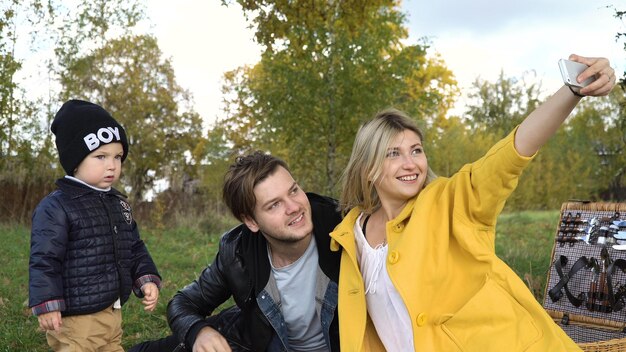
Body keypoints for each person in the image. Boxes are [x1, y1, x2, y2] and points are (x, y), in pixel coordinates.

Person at [330, 54, 616, 351]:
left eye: (416, 150)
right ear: (367, 168)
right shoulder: (351, 235)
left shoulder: (450, 202)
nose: (410, 164)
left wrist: (571, 90)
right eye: (393, 154)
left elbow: (508, 158)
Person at [131, 151, 343, 352]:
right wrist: (199, 332)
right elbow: (183, 303)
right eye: (274, 205)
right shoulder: (238, 253)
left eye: (294, 190)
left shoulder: (345, 231)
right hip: (260, 339)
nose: (294, 207)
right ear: (251, 221)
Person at [28, 99, 162, 351]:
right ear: (75, 160)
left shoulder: (117, 203)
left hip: (111, 311)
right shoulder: (57, 206)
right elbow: (45, 259)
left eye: (117, 156)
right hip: (76, 318)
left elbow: (134, 247)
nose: (112, 165)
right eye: (100, 156)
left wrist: (146, 279)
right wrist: (48, 302)